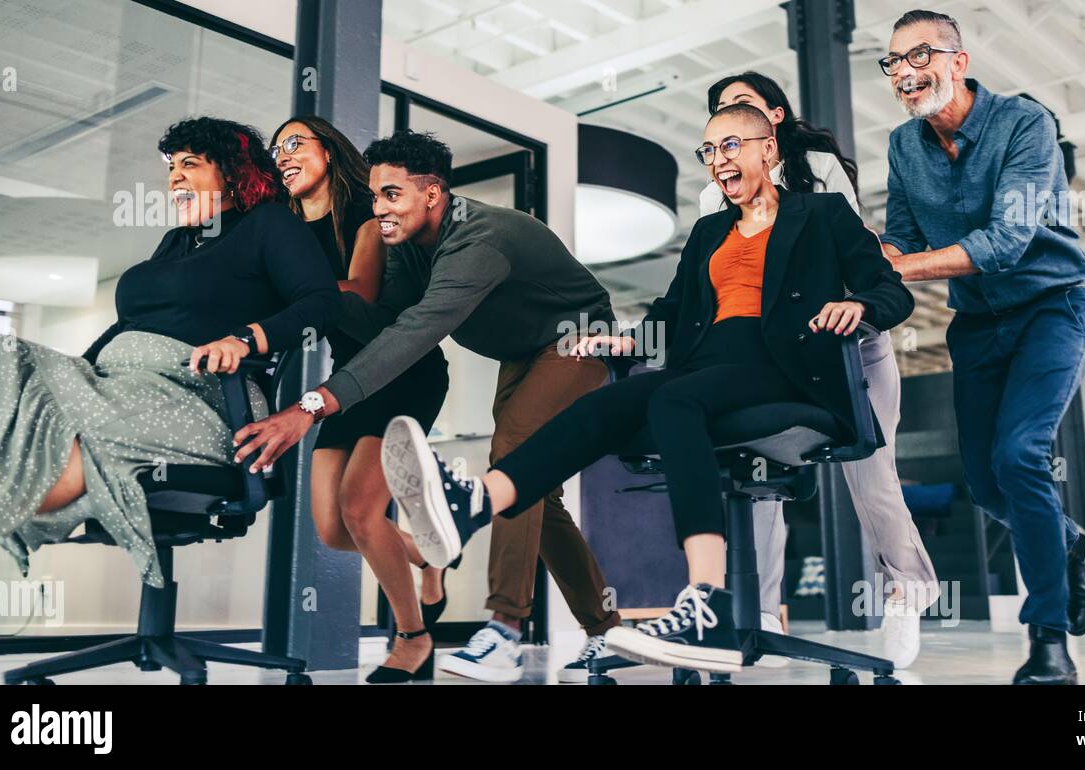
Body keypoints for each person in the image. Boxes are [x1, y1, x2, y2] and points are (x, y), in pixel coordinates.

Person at [377, 104, 915, 673]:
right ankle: (474, 504)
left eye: (731, 146)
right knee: (610, 404)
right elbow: (674, 314)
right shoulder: (710, 230)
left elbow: (892, 290)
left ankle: (707, 601)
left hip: (786, 366)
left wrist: (857, 305)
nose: (718, 161)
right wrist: (624, 341)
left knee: (672, 399)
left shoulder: (822, 214)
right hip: (708, 366)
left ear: (769, 149)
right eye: (709, 151)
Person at [231, 130, 623, 683]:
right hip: (521, 353)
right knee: (539, 491)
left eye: (392, 195)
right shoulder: (405, 247)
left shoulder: (479, 238)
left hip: (578, 340)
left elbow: (415, 333)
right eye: (373, 197)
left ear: (433, 194)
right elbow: (382, 323)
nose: (379, 210)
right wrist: (312, 301)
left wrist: (311, 405)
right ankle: (606, 632)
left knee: (514, 459)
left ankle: (505, 629)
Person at [0, 117, 340, 593]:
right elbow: (130, 326)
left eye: (190, 164)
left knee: (61, 434)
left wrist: (243, 339)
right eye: (171, 166)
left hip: (202, 397)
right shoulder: (178, 240)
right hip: (117, 383)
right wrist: (70, 372)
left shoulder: (268, 224)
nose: (174, 176)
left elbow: (320, 303)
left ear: (231, 172)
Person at [878, 10, 1085, 685]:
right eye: (893, 62)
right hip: (976, 324)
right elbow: (901, 236)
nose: (906, 72)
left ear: (959, 60)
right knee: (984, 480)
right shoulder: (902, 146)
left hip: (1051, 308)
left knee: (1019, 454)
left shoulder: (1024, 125)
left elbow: (1007, 242)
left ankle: (1049, 637)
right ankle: (1065, 539)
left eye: (921, 54)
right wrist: (871, 261)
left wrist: (902, 268)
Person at [702, 71, 939, 668]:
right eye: (720, 116)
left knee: (872, 475)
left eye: (743, 108)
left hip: (850, 344)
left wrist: (853, 304)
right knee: (756, 480)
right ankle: (758, 613)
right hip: (778, 359)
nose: (730, 122)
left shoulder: (819, 174)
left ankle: (907, 594)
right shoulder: (714, 200)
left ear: (771, 121)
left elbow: (855, 255)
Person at [270, 115, 452, 683]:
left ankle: (413, 637)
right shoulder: (287, 232)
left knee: (359, 508)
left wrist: (289, 303)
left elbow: (360, 292)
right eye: (277, 149)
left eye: (296, 142)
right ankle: (428, 555)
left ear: (329, 151)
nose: (284, 153)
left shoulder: (365, 216)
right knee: (332, 528)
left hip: (402, 369)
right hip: (348, 377)